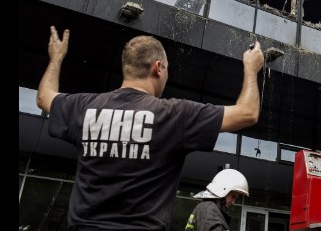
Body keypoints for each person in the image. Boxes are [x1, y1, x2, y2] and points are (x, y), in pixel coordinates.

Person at [36, 26, 264, 230]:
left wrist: (56, 58)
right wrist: (251, 68)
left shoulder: (84, 108)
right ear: (157, 68)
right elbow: (248, 113)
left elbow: (44, 98)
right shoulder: (174, 115)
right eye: (166, 69)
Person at [184, 169, 249, 231]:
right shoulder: (209, 209)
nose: (233, 202)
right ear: (223, 190)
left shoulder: (207, 208)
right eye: (233, 197)